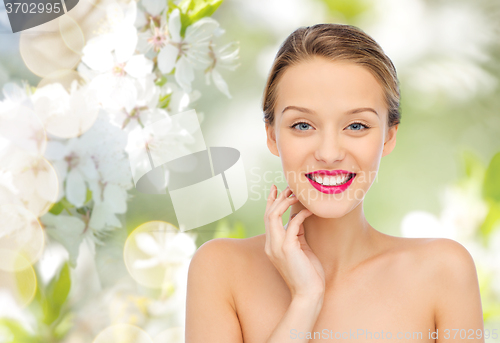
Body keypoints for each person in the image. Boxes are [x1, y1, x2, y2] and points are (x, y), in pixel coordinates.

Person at [185, 23, 485, 343]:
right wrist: (305, 300)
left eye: (356, 125)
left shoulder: (444, 272)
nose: (329, 153)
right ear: (273, 135)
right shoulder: (221, 270)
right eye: (302, 125)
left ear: (389, 136)